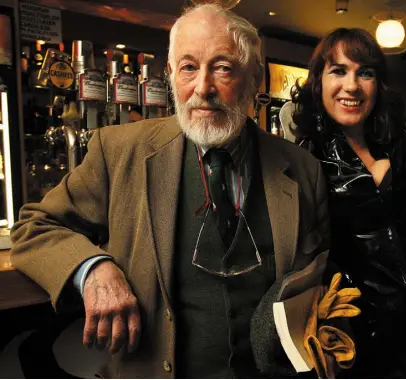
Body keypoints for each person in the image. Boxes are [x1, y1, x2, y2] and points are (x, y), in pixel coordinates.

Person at [10, 4, 332, 378]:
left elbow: (318, 275)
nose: (203, 88)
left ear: (254, 77)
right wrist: (94, 269)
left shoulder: (303, 169)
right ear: (171, 74)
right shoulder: (118, 152)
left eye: (223, 68)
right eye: (189, 67)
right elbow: (34, 227)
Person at [291, 28, 406, 378]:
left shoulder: (402, 145)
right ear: (318, 82)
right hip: (361, 347)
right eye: (339, 71)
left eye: (365, 72)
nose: (352, 85)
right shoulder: (305, 163)